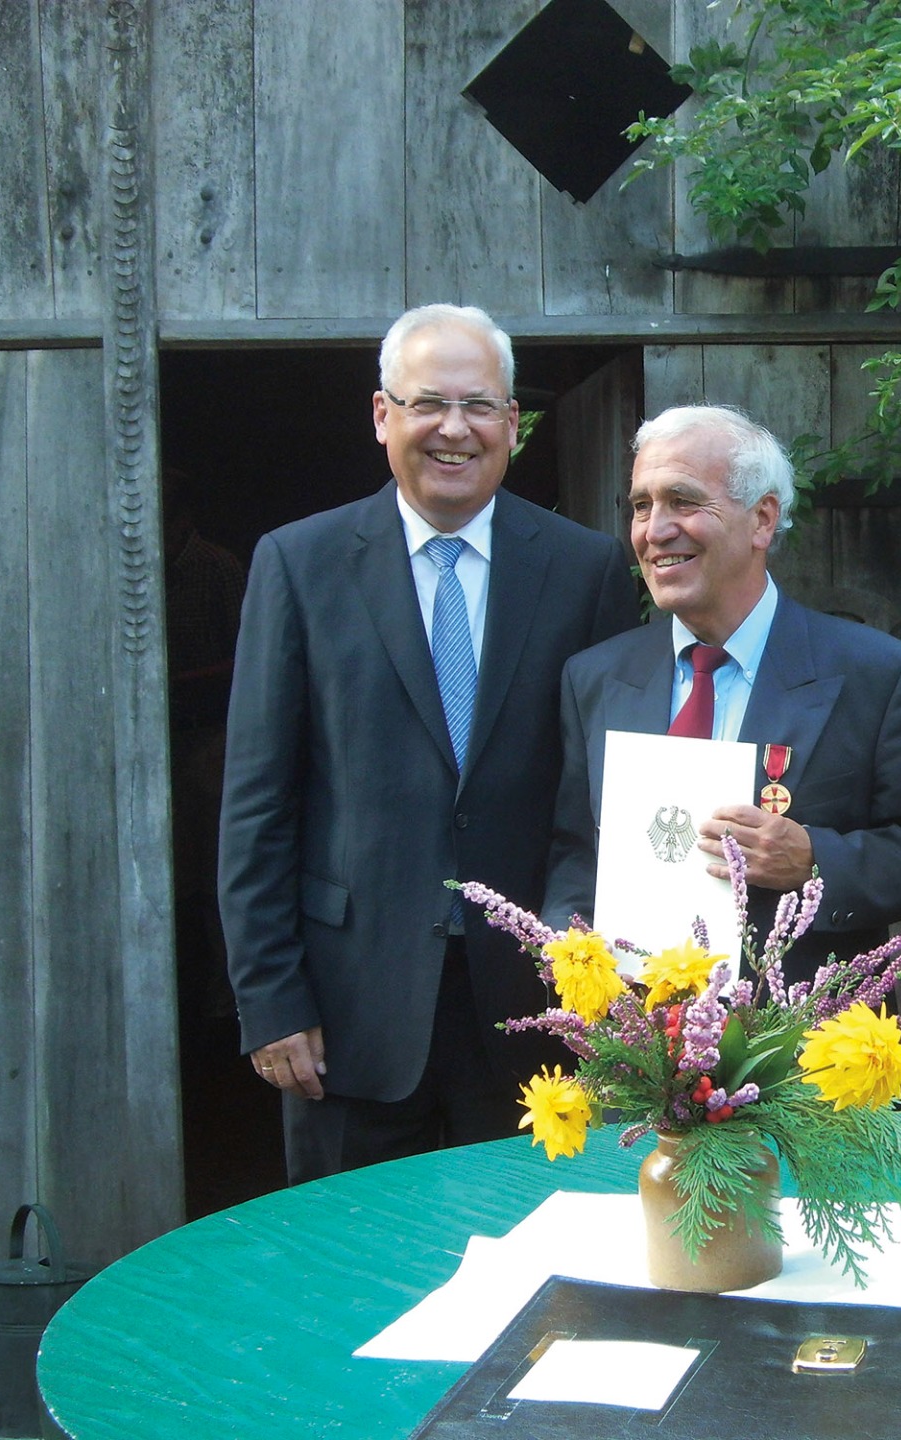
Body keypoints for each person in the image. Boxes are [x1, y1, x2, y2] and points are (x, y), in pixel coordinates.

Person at [219, 303, 637, 1183]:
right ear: (382, 416)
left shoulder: (586, 568)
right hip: (345, 1011)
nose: (456, 429)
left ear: (514, 426)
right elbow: (259, 803)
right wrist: (269, 999)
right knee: (347, 1275)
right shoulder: (299, 564)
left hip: (532, 1009)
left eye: (481, 406)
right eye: (428, 404)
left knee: (537, 1264)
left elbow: (599, 799)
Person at [543, 404, 901, 985]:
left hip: (802, 1054)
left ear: (763, 519)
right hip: (631, 1046)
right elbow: (573, 854)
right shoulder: (593, 677)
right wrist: (572, 953)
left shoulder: (880, 675)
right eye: (642, 505)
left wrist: (814, 860)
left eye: (683, 501)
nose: (654, 530)